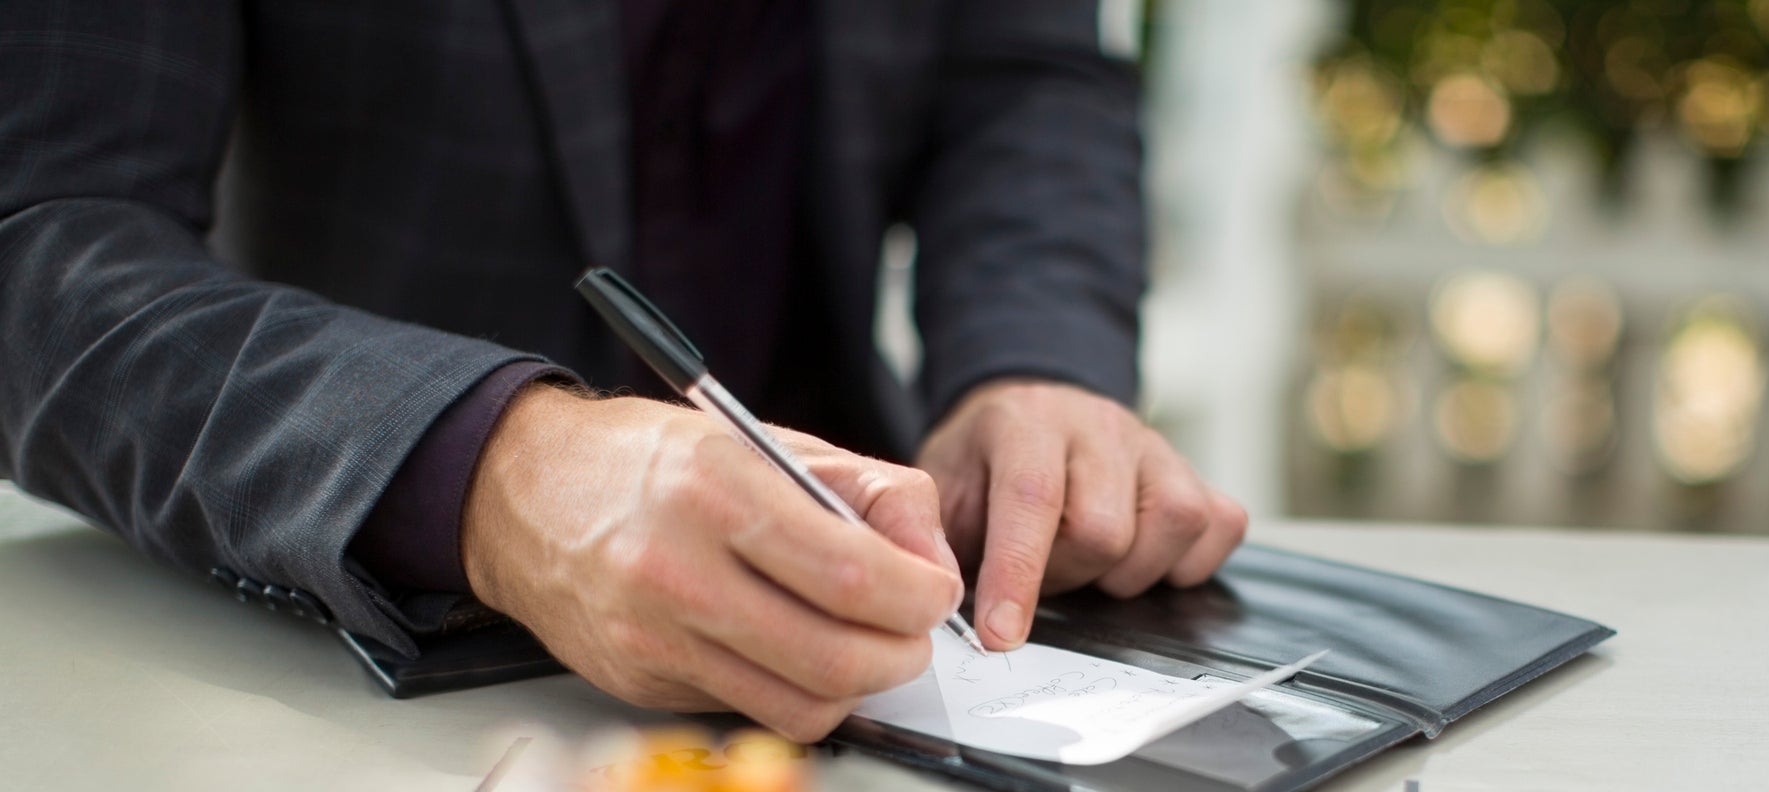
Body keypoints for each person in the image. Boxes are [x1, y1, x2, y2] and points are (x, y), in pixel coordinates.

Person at [0, 1, 1247, 740]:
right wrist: (489, 470)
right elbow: (42, 238)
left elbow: (1021, 73)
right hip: (370, 702)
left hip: (880, 651)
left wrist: (1029, 361)